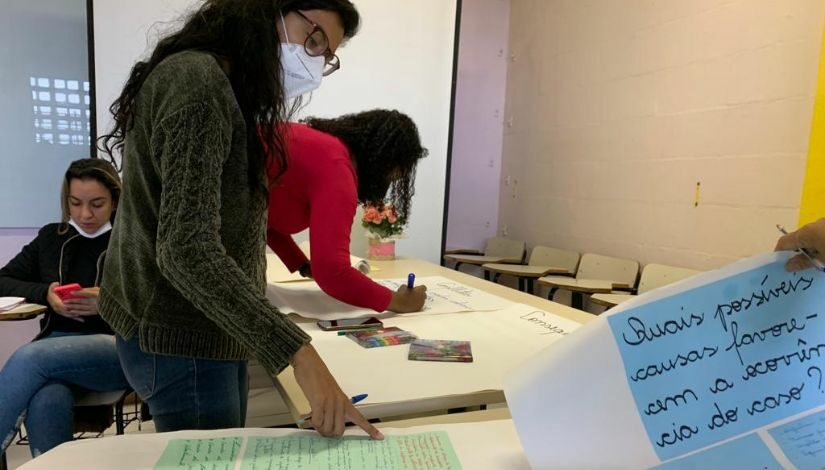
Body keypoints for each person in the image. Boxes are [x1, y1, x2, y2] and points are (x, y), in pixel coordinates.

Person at [97, 0, 381, 439]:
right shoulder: (198, 84)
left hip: (208, 328)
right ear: (268, 11)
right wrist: (298, 353)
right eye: (315, 37)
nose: (314, 60)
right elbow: (186, 250)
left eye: (326, 56)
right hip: (182, 334)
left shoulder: (223, 88)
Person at [0, 158, 129, 457]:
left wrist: (109, 302)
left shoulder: (131, 241)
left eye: (97, 203)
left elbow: (157, 298)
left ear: (114, 200)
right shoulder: (51, 237)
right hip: (55, 351)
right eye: (75, 203)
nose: (85, 214)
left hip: (118, 349)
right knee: (46, 399)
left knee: (30, 358)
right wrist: (46, 293)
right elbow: (3, 279)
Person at [267, 109, 429, 312]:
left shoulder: (321, 147)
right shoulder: (337, 169)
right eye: (393, 175)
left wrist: (303, 265)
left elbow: (263, 218)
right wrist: (399, 302)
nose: (390, 182)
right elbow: (333, 272)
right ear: (382, 160)